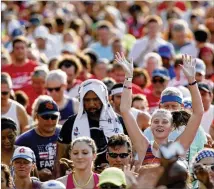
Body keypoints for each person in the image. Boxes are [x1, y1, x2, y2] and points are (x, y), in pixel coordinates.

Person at [116, 52, 204, 166]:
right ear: (150, 125)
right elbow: (125, 110)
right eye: (156, 121)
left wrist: (192, 80)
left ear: (171, 126)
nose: (160, 124)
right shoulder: (143, 147)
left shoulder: (177, 147)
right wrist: (128, 77)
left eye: (164, 122)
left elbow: (198, 113)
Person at [55, 79, 124, 177]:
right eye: (87, 100)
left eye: (95, 99)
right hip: (79, 178)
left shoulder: (119, 122)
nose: (91, 104)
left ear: (103, 99)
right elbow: (60, 159)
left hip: (113, 177)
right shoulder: (71, 123)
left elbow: (129, 153)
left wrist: (112, 166)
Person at [15, 96, 61, 181]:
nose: (50, 121)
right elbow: (13, 168)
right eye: (46, 117)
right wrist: (36, 173)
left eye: (54, 117)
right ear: (37, 117)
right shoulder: (23, 140)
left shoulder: (66, 134)